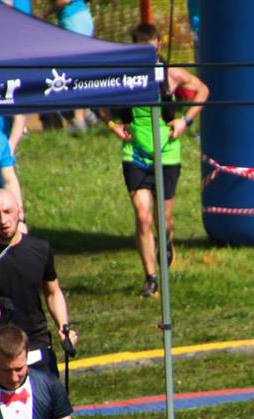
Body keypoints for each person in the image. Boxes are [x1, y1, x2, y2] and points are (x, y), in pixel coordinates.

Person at [107, 23, 209, 298]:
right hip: (135, 154)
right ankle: (150, 278)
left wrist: (185, 121)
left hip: (167, 154)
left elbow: (203, 90)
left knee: (163, 220)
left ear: (159, 46)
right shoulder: (123, 76)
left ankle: (166, 239)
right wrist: (113, 125)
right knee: (142, 215)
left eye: (150, 50)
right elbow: (97, 98)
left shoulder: (170, 74)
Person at [0, 189, 77, 379]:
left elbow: (52, 292)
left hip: (37, 342)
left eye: (8, 212)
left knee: (46, 397)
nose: (3, 220)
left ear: (20, 212)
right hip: (0, 346)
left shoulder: (40, 249)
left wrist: (63, 326)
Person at [45, 0, 97, 134]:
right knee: (79, 70)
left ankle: (79, 119)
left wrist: (46, 12)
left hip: (74, 21)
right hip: (79, 19)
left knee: (75, 71)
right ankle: (86, 113)